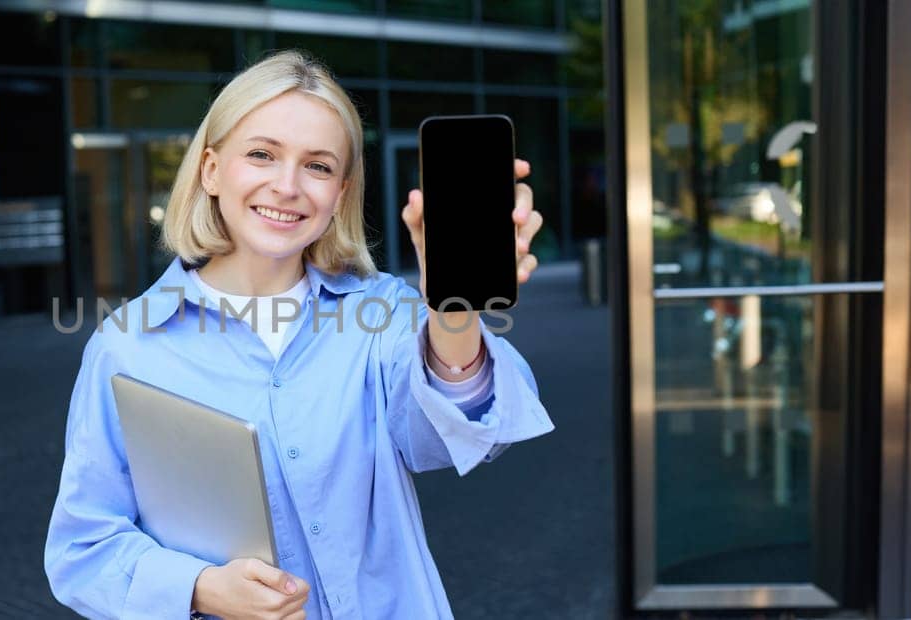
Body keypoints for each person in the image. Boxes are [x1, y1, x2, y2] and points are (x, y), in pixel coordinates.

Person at [44, 49, 554, 619]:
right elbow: (81, 548)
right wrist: (201, 587)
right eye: (262, 154)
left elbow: (460, 434)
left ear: (340, 193)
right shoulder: (129, 345)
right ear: (211, 170)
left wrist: (452, 303)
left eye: (318, 166)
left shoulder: (383, 313)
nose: (287, 186)